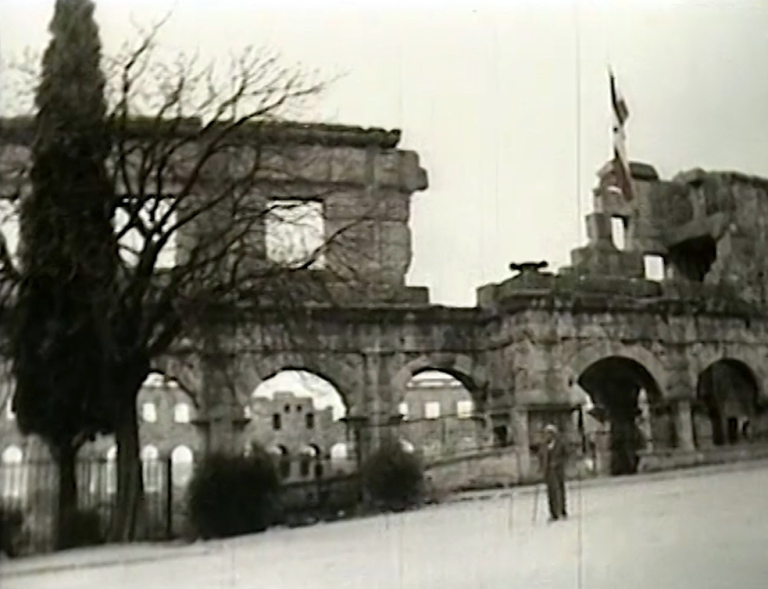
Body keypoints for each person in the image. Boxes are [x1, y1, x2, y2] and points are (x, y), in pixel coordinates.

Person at [539, 423, 568, 522]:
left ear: (553, 434)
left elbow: (566, 455)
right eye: (545, 433)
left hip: (558, 471)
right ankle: (553, 513)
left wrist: (558, 463)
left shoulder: (560, 443)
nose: (547, 436)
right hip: (548, 472)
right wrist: (541, 468)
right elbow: (541, 456)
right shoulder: (544, 445)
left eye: (549, 433)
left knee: (559, 491)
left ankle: (562, 511)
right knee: (550, 493)